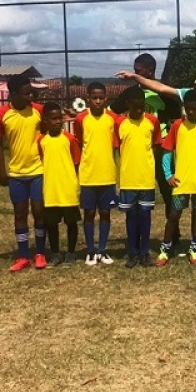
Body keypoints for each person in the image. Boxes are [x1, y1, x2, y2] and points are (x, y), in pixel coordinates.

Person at [112, 54, 182, 235]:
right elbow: (112, 112)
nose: (134, 74)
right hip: (139, 150)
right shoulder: (131, 94)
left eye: (138, 71)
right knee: (137, 194)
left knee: (169, 192)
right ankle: (136, 239)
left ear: (150, 71)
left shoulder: (164, 93)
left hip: (162, 148)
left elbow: (177, 117)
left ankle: (173, 235)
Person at [0, 75, 47, 271]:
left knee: (39, 212)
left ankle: (40, 253)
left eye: (31, 92)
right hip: (16, 173)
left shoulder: (39, 111)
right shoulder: (1, 115)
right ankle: (23, 256)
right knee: (20, 213)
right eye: (26, 93)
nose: (30, 96)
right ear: (13, 94)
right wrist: (2, 172)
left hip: (38, 170)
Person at [156, 89, 196, 266]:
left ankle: (194, 249)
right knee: (174, 215)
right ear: (184, 107)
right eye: (188, 108)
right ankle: (165, 250)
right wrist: (168, 174)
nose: (191, 112)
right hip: (181, 180)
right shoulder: (177, 126)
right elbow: (167, 151)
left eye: (194, 108)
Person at [118, 62, 196, 141]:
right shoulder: (190, 95)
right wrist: (135, 77)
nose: (195, 82)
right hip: (194, 156)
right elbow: (161, 88)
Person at [114, 84, 163, 268]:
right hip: (128, 179)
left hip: (146, 179)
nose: (139, 109)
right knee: (131, 217)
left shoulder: (152, 121)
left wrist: (147, 163)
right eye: (135, 106)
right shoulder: (120, 123)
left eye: (142, 105)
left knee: (145, 216)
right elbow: (117, 147)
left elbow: (156, 145)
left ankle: (144, 253)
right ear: (127, 104)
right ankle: (132, 253)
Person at [75, 81, 119, 265]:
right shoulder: (81, 119)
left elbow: (116, 146)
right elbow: (78, 145)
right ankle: (90, 250)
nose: (98, 101)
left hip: (107, 175)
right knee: (89, 213)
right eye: (94, 98)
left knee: (106, 212)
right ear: (88, 99)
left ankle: (102, 249)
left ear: (106, 98)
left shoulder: (112, 119)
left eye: (101, 98)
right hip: (88, 176)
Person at [37, 102, 82, 265]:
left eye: (60, 118)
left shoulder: (69, 139)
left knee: (71, 222)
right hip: (51, 189)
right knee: (51, 224)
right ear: (45, 120)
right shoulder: (41, 140)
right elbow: (43, 160)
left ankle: (71, 253)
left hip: (68, 188)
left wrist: (73, 182)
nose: (57, 121)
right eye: (53, 119)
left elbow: (76, 162)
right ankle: (56, 253)